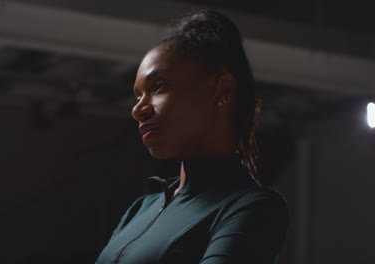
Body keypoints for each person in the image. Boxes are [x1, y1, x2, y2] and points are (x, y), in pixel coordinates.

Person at [95, 9, 288, 264]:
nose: (138, 109)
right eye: (138, 95)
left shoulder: (251, 207)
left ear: (222, 89)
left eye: (159, 86)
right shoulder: (140, 209)